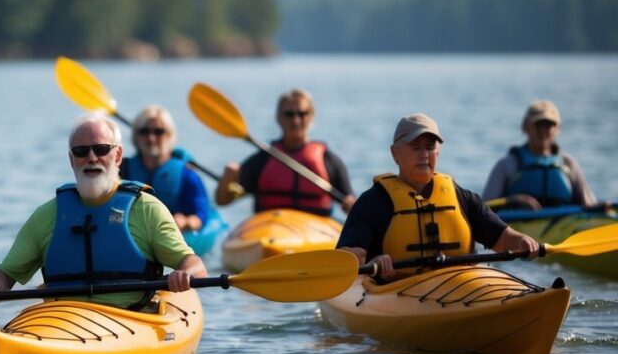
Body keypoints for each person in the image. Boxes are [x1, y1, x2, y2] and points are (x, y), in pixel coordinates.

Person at [0, 115, 207, 309]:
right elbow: (5, 274)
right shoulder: (47, 215)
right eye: (81, 151)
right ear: (72, 160)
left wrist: (186, 273)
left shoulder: (146, 209)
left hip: (131, 317)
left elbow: (195, 265)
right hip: (61, 319)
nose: (91, 157)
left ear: (118, 156)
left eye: (101, 149)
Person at [337, 113, 539, 280]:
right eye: (416, 147)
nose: (424, 154)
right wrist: (373, 265)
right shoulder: (372, 202)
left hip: (458, 287)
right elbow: (347, 260)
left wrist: (521, 241)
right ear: (395, 154)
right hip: (393, 289)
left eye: (430, 147)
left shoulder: (464, 199)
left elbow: (503, 239)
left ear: (439, 151)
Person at [215, 88, 355, 215]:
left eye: (302, 114)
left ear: (311, 116)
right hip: (269, 228)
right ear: (278, 117)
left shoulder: (329, 161)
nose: (295, 120)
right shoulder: (262, 160)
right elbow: (222, 201)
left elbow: (353, 205)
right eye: (289, 114)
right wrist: (227, 179)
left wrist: (352, 206)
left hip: (314, 230)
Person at [482, 99, 599, 210]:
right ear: (525, 126)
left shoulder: (568, 164)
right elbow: (483, 209)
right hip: (518, 226)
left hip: (562, 226)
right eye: (539, 124)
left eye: (549, 125)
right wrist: (511, 201)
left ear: (558, 129)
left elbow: (589, 205)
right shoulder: (507, 165)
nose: (543, 130)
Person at [119, 105, 210, 232]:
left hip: (173, 230)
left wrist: (186, 222)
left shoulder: (187, 176)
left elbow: (201, 215)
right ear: (136, 136)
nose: (151, 138)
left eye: (158, 132)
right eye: (144, 132)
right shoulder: (121, 171)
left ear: (169, 135)